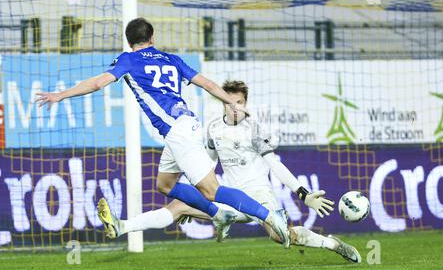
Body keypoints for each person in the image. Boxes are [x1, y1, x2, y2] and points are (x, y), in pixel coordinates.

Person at [35, 18, 291, 247]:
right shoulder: (171, 59)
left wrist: (61, 95)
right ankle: (218, 214)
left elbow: (98, 83)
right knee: (165, 185)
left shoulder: (128, 59)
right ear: (152, 38)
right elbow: (208, 84)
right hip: (181, 128)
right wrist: (231, 101)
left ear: (129, 41)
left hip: (179, 131)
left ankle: (270, 215)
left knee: (211, 190)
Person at [97, 80, 361, 263]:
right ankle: (122, 226)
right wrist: (194, 197)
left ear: (246, 104)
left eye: (240, 103)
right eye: (230, 102)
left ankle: (333, 244)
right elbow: (206, 165)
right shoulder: (213, 129)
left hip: (259, 196)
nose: (235, 108)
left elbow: (275, 164)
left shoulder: (255, 129)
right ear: (222, 103)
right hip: (230, 197)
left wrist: (302, 194)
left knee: (281, 238)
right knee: (178, 205)